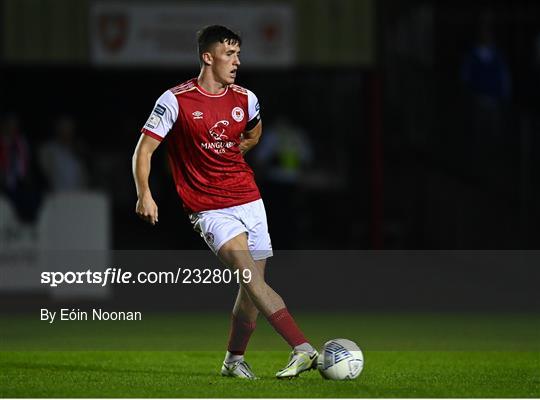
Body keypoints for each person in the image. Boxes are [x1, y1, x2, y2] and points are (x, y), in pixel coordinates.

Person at [132, 25, 317, 380]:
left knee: (252, 290)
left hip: (249, 199)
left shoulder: (245, 98)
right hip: (208, 208)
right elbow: (145, 149)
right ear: (208, 57)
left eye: (238, 55)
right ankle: (302, 348)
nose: (237, 61)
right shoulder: (175, 100)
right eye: (229, 54)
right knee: (250, 277)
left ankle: (233, 360)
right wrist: (144, 193)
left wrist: (235, 152)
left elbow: (254, 131)